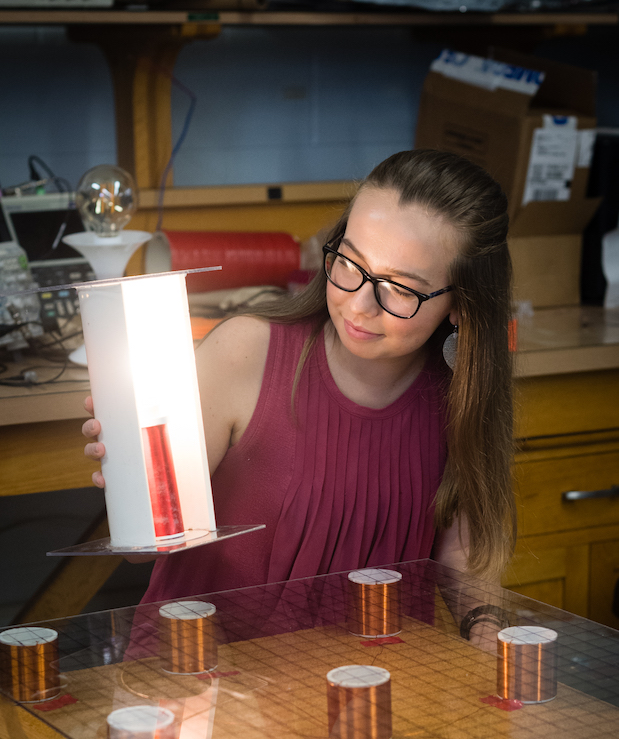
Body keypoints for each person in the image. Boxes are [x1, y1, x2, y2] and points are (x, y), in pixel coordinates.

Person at [82, 149, 515, 607]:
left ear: (462, 304)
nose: (360, 305)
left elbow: (465, 561)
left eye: (401, 288)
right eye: (350, 262)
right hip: (204, 669)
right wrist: (133, 475)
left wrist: (489, 632)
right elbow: (141, 550)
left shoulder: (457, 395)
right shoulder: (243, 354)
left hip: (373, 671)